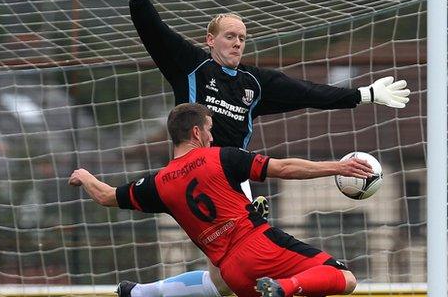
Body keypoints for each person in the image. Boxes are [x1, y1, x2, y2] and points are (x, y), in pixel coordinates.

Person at [104, 0, 411, 295]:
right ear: (210, 40)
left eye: (242, 38)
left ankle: (139, 293)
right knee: (230, 275)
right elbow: (155, 34)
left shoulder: (254, 83)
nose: (237, 43)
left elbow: (308, 93)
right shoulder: (191, 65)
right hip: (196, 174)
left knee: (226, 280)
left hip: (235, 176)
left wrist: (363, 95)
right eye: (229, 36)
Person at [70, 103, 374, 297]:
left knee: (217, 285)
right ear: (196, 131)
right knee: (343, 277)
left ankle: (140, 293)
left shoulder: (158, 184)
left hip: (232, 273)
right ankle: (284, 287)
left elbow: (106, 196)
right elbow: (283, 168)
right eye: (210, 131)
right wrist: (337, 167)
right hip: (260, 247)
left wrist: (84, 176)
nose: (212, 137)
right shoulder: (220, 157)